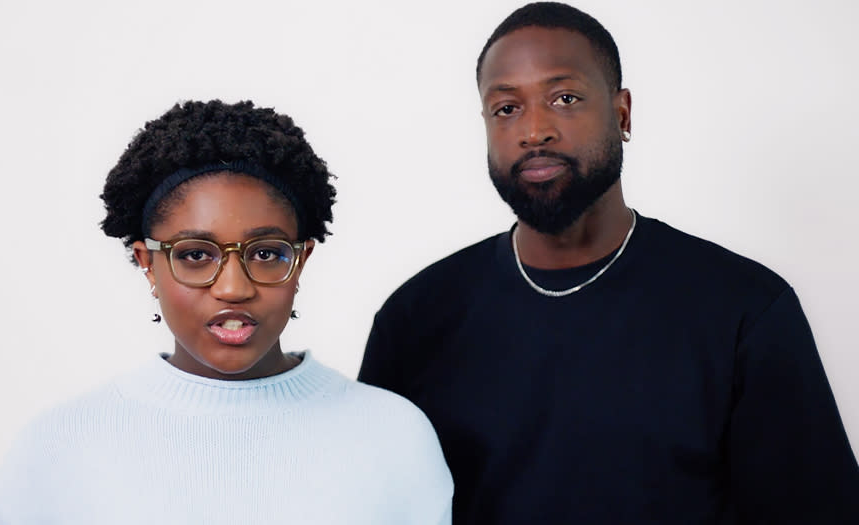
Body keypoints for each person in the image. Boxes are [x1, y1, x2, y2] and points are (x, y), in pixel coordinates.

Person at [358, 3, 859, 524]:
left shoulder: (745, 311)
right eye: (507, 108)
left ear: (622, 113)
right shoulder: (414, 320)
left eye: (565, 98)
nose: (534, 131)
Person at [0, 100, 453, 524]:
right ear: (148, 263)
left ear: (301, 261)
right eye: (196, 255)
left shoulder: (393, 436)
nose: (234, 287)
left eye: (266, 253)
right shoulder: (58, 448)